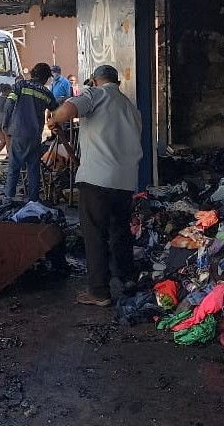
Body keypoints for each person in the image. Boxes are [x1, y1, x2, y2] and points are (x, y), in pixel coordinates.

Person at [48, 65, 143, 307]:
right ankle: (127, 279)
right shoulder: (131, 108)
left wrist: (54, 118)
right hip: (125, 180)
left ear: (95, 80)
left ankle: (99, 291)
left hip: (97, 179)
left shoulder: (94, 94)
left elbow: (68, 109)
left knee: (95, 235)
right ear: (117, 81)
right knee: (120, 231)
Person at [3, 62, 58, 202]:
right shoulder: (47, 93)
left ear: (33, 73)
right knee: (33, 168)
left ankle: (9, 198)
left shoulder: (20, 86)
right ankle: (33, 201)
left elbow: (9, 106)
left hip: (18, 132)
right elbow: (57, 111)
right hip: (35, 135)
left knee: (14, 167)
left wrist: (5, 125)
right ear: (45, 78)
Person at [0, 83, 12, 158]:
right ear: (6, 91)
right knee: (8, 141)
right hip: (5, 121)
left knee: (2, 141)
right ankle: (9, 158)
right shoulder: (8, 99)